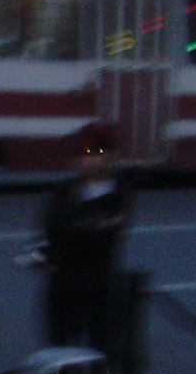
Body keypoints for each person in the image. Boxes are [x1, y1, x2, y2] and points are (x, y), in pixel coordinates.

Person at [41, 121, 133, 351]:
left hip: (102, 285)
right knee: (61, 351)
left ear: (112, 155)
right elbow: (53, 229)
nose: (88, 159)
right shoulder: (63, 190)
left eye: (96, 151)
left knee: (102, 350)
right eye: (82, 153)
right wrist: (91, 226)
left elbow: (106, 235)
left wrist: (79, 228)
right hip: (63, 286)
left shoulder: (120, 190)